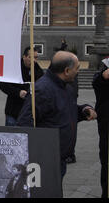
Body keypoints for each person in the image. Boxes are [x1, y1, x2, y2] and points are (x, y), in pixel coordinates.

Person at [17, 51, 97, 180]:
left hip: (60, 157)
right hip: (47, 159)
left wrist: (83, 111)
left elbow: (63, 111)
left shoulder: (65, 86)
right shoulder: (43, 90)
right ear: (66, 71)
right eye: (77, 68)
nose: (78, 72)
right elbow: (24, 123)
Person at [0, 47, 44, 126]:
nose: (33, 60)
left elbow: (43, 86)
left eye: (36, 58)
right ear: (24, 57)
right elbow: (3, 84)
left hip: (30, 113)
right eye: (31, 57)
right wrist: (18, 92)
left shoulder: (38, 70)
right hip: (13, 112)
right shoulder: (14, 68)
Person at [92, 64, 109, 198]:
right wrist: (104, 76)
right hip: (106, 127)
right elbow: (97, 82)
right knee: (106, 162)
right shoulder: (102, 76)